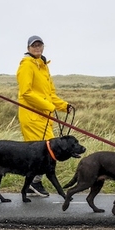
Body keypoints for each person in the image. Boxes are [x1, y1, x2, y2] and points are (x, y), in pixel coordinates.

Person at [16, 35, 73, 197]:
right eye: (34, 46)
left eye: (40, 45)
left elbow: (50, 94)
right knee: (46, 151)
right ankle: (34, 183)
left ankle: (32, 184)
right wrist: (48, 107)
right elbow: (26, 93)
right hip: (32, 116)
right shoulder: (27, 65)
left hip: (44, 117)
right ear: (28, 48)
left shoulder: (43, 65)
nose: (37, 48)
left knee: (44, 151)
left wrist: (63, 106)